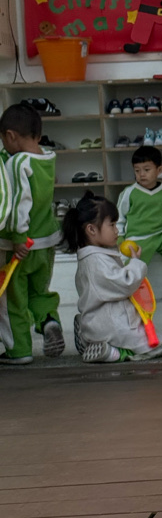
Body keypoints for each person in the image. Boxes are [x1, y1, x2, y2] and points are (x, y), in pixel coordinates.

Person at [60, 191, 162, 363]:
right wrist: (135, 263)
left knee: (156, 339)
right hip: (109, 323)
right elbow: (125, 283)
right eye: (112, 225)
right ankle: (111, 351)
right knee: (155, 346)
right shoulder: (96, 261)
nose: (117, 230)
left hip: (99, 320)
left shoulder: (94, 256)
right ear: (91, 229)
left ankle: (89, 335)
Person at [0, 102, 63, 363]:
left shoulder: (18, 163)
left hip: (21, 245)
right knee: (40, 291)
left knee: (13, 298)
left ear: (11, 136)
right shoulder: (48, 156)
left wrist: (17, 239)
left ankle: (19, 350)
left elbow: (19, 204)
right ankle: (49, 321)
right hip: (46, 242)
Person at [116, 146, 162, 297]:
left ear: (160, 170)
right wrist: (119, 238)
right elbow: (119, 217)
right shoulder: (129, 192)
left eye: (146, 169)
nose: (141, 174)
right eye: (137, 170)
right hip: (137, 238)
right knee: (129, 261)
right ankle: (130, 286)